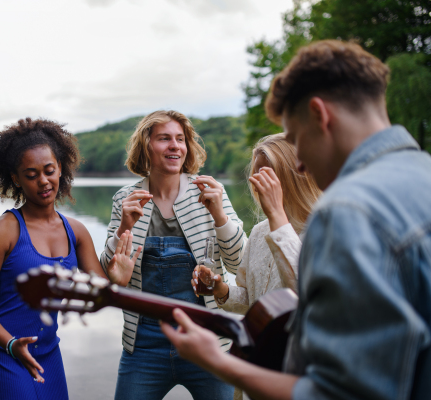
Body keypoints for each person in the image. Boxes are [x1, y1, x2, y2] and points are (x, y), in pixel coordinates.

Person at [162, 40, 431, 400]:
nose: (300, 162)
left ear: (320, 115)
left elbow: (342, 393)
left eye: (296, 138)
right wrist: (222, 289)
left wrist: (219, 362)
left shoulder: (348, 211)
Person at [0, 117, 139, 400]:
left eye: (49, 170)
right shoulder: (2, 232)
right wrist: (10, 344)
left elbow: (99, 294)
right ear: (16, 179)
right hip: (2, 353)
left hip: (48, 354)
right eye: (31, 174)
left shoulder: (77, 232)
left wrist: (116, 282)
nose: (43, 181)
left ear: (61, 168)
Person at [99, 110, 246, 400]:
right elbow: (109, 273)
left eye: (180, 139)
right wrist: (124, 228)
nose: (174, 146)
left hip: (208, 338)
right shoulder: (124, 199)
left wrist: (218, 214)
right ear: (146, 146)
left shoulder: (211, 192)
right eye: (164, 138)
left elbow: (239, 263)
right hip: (143, 343)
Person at [194, 133, 320, 400]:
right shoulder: (261, 230)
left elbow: (306, 293)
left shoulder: (322, 228)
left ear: (294, 174)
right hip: (258, 366)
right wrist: (221, 288)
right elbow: (253, 302)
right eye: (257, 175)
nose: (260, 183)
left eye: (269, 174)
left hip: (298, 374)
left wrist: (277, 215)